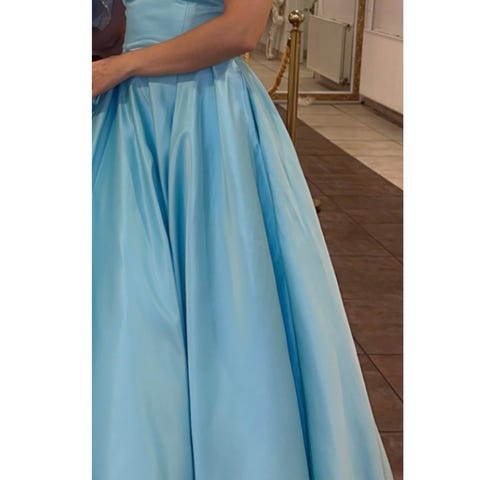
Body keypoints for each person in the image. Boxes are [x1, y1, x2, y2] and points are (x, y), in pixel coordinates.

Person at [92, 0, 394, 479]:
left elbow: (241, 31)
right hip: (126, 115)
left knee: (226, 306)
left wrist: (123, 66)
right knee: (126, 305)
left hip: (202, 117)